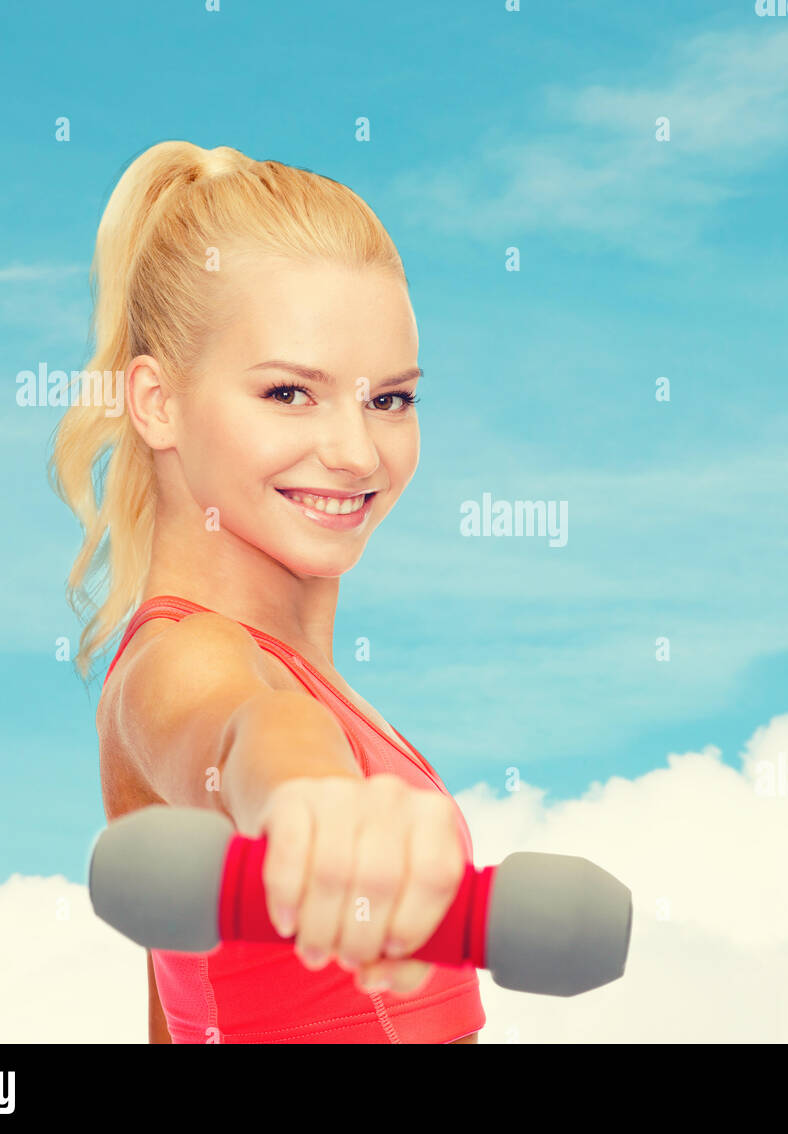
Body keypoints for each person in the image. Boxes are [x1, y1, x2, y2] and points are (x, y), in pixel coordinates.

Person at [50, 141, 483, 1043]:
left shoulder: (316, 680)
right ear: (158, 402)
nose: (358, 454)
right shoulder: (185, 657)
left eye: (390, 401)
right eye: (290, 393)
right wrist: (307, 798)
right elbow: (246, 727)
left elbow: (187, 1015)